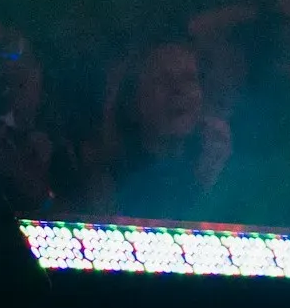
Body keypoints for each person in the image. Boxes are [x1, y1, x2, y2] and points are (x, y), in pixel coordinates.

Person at [85, 38, 235, 223]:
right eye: (164, 80)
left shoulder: (225, 167)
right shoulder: (106, 182)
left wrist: (213, 176)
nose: (179, 90)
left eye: (189, 79)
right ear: (133, 101)